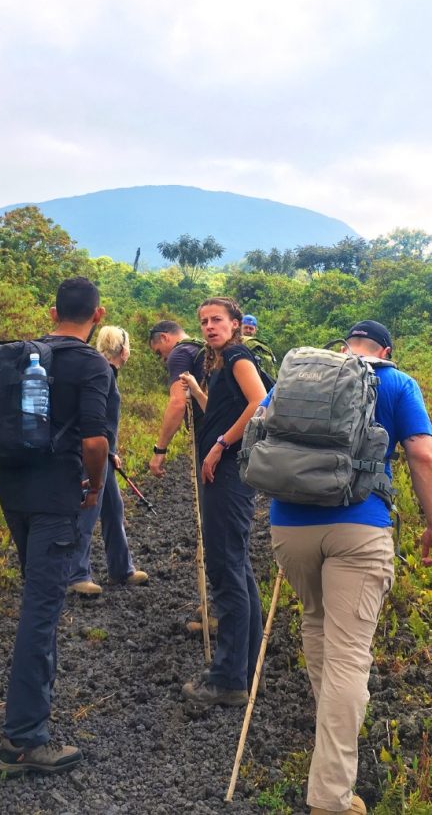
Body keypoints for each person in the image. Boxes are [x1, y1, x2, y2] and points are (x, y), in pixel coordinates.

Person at [267, 320, 432, 815]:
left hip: (289, 526)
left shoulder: (299, 375)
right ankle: (330, 796)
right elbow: (423, 454)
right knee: (349, 656)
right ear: (386, 349)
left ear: (343, 346)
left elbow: (264, 429)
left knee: (316, 624)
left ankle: (331, 741)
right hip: (359, 528)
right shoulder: (395, 381)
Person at [0, 277, 112, 775]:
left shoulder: (26, 353)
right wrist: (93, 487)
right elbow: (95, 442)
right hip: (55, 498)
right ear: (98, 315)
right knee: (41, 612)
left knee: (38, 600)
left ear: (51, 311)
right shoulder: (92, 363)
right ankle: (24, 739)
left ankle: (27, 713)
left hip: (13, 489)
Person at [180, 297, 268, 707]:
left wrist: (219, 445)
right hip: (228, 473)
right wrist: (199, 392)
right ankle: (244, 669)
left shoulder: (236, 357)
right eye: (203, 322)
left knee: (226, 567)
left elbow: (259, 402)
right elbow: (222, 412)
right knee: (236, 565)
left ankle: (230, 678)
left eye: (217, 320)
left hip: (229, 474)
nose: (209, 327)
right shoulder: (220, 363)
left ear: (235, 324)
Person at [68, 326, 149, 596]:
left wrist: (111, 451)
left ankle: (121, 569)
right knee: (87, 512)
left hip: (104, 453)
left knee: (113, 510)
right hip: (93, 453)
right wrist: (105, 451)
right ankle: (76, 574)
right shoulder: (102, 373)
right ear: (123, 350)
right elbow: (95, 419)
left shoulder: (104, 371)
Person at [146, 320, 205, 478]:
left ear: (164, 337)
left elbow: (178, 403)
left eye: (159, 352)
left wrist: (160, 450)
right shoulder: (201, 347)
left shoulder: (180, 352)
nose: (163, 359)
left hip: (207, 433)